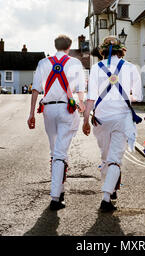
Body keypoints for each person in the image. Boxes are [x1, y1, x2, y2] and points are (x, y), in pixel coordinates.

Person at [83, 36, 142, 212]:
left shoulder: (95, 68)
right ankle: (107, 196)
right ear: (121, 50)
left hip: (101, 118)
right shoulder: (131, 68)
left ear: (102, 50)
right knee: (115, 158)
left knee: (105, 156)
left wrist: (85, 120)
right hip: (122, 118)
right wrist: (125, 98)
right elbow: (137, 96)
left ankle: (110, 189)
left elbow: (91, 97)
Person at [28, 35, 86, 211]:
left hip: (49, 110)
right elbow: (81, 90)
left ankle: (60, 192)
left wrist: (31, 114)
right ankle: (55, 197)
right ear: (69, 47)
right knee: (60, 152)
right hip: (66, 109)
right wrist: (83, 111)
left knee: (55, 151)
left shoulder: (43, 63)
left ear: (55, 46)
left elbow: (36, 89)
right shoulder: (75, 63)